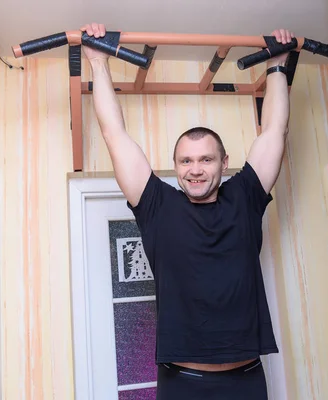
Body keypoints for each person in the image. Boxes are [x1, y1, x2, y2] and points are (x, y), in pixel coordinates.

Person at [81, 22, 293, 400]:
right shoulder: (156, 204)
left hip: (246, 378)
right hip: (182, 382)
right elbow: (114, 132)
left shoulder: (245, 196)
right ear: (176, 166)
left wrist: (277, 66)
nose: (195, 169)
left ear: (224, 162)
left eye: (206, 159)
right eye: (186, 161)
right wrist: (97, 62)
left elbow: (274, 130)